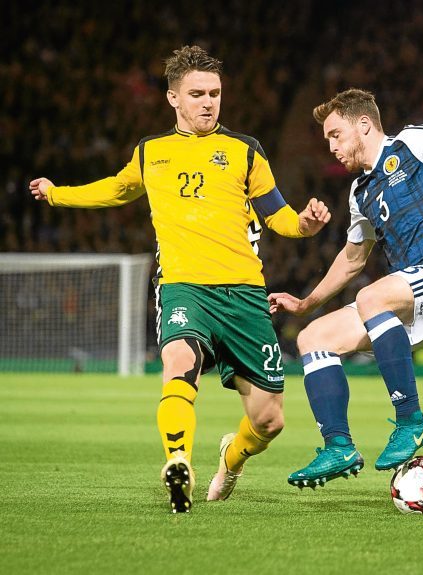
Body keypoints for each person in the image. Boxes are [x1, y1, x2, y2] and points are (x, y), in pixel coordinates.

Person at [30, 45, 331, 512]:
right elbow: (115, 189)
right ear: (173, 98)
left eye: (214, 93)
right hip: (183, 287)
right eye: (197, 94)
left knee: (269, 421)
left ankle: (231, 459)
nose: (208, 102)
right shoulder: (151, 152)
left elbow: (279, 217)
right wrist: (57, 195)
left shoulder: (245, 150)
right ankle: (178, 463)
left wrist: (306, 224)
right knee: (177, 364)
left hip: (246, 297)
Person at [268, 88, 423, 488]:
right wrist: (307, 303)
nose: (331, 147)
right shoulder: (359, 192)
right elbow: (352, 259)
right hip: (409, 300)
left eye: (335, 135)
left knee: (370, 295)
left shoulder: (413, 143)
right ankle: (338, 445)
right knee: (314, 338)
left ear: (363, 125)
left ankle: (411, 419)